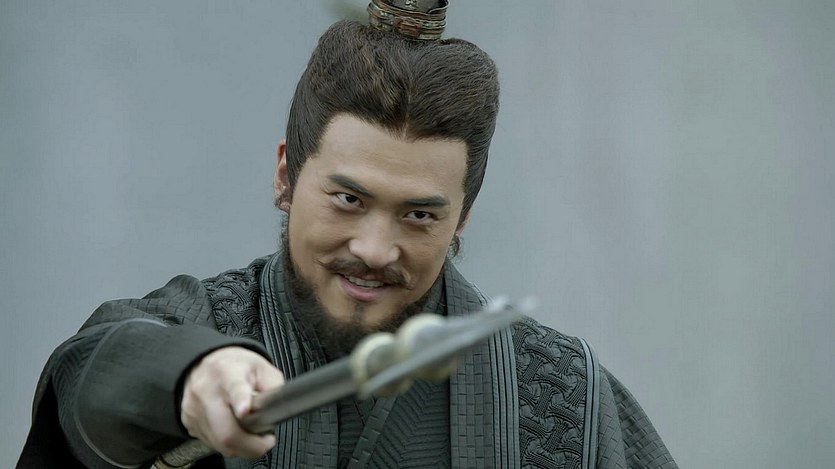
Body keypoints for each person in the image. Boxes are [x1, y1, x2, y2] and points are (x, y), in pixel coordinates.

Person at [18, 3, 677, 469]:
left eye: (418, 215)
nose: (374, 248)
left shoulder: (560, 391)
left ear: (462, 217)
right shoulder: (203, 322)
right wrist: (193, 378)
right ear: (285, 176)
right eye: (348, 199)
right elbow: (101, 370)